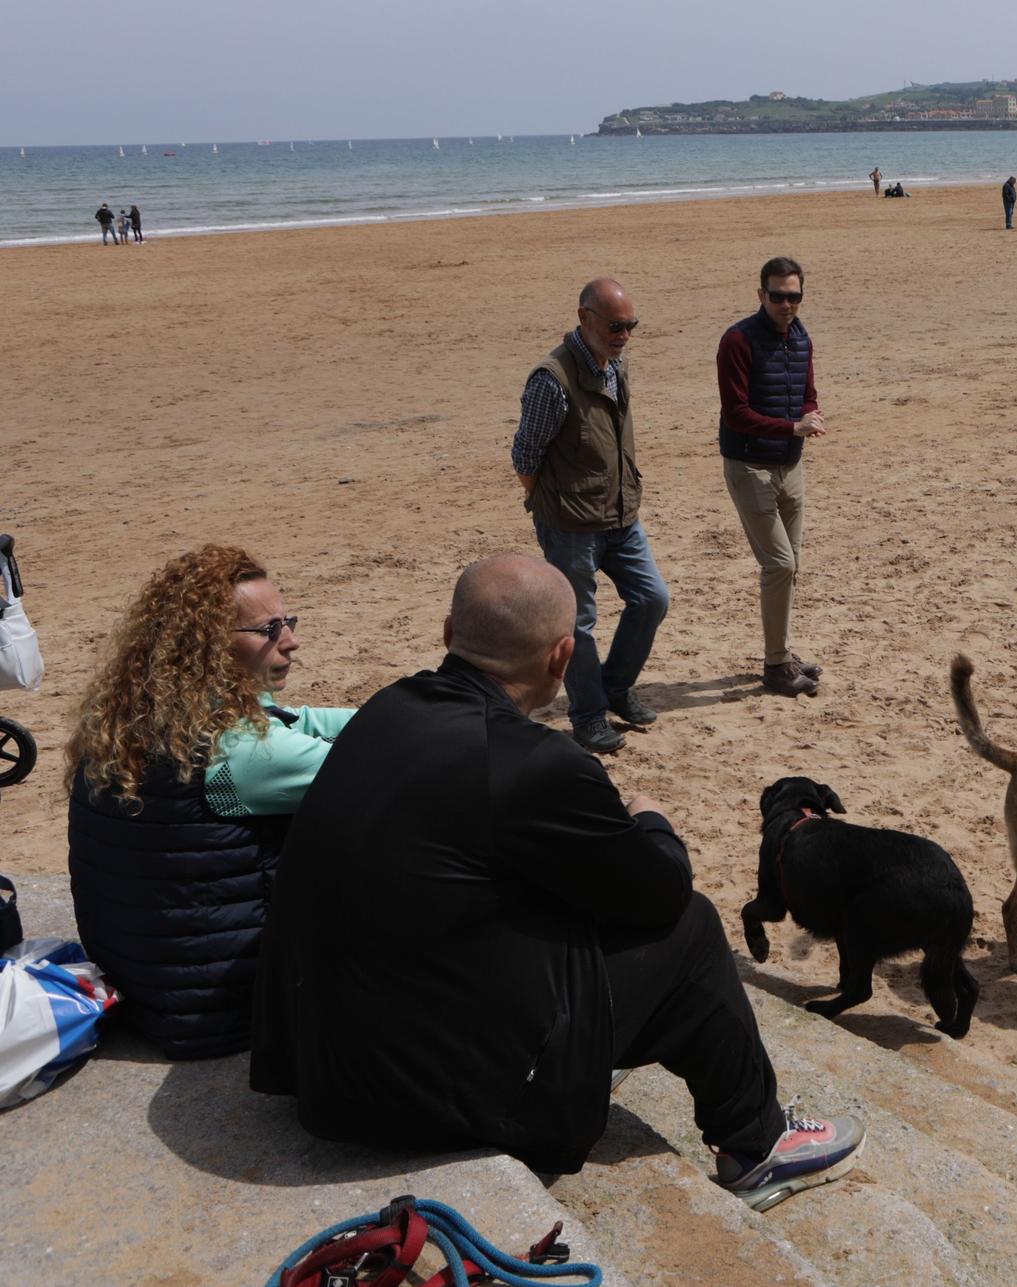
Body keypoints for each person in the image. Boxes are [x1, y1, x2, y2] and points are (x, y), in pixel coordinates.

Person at [250, 554, 865, 1203]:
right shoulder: (537, 761)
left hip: (319, 1072)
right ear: (562, 655)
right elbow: (660, 895)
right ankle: (758, 1142)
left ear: (446, 632)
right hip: (414, 1100)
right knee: (692, 927)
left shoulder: (386, 708)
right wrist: (652, 820)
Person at [67, 545, 354, 1058]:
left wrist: (409, 707)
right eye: (270, 630)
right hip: (226, 1010)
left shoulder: (134, 717)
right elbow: (397, 769)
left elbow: (297, 720)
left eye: (287, 621)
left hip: (152, 985)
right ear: (210, 646)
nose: (291, 641)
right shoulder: (236, 751)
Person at [510, 277, 670, 755]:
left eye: (631, 326)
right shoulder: (551, 379)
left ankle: (614, 687)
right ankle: (587, 716)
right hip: (570, 525)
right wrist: (552, 505)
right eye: (616, 326)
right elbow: (524, 458)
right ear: (585, 318)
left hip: (621, 515)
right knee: (578, 622)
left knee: (652, 599)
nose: (624, 335)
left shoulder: (615, 367)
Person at [717, 256, 825, 698]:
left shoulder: (800, 337)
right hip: (749, 465)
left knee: (791, 565)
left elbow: (807, 394)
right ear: (761, 295)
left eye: (793, 296)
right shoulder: (738, 341)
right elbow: (737, 413)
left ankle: (781, 653)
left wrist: (810, 415)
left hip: (790, 464)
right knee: (779, 563)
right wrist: (792, 427)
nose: (786, 304)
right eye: (778, 296)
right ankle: (776, 667)